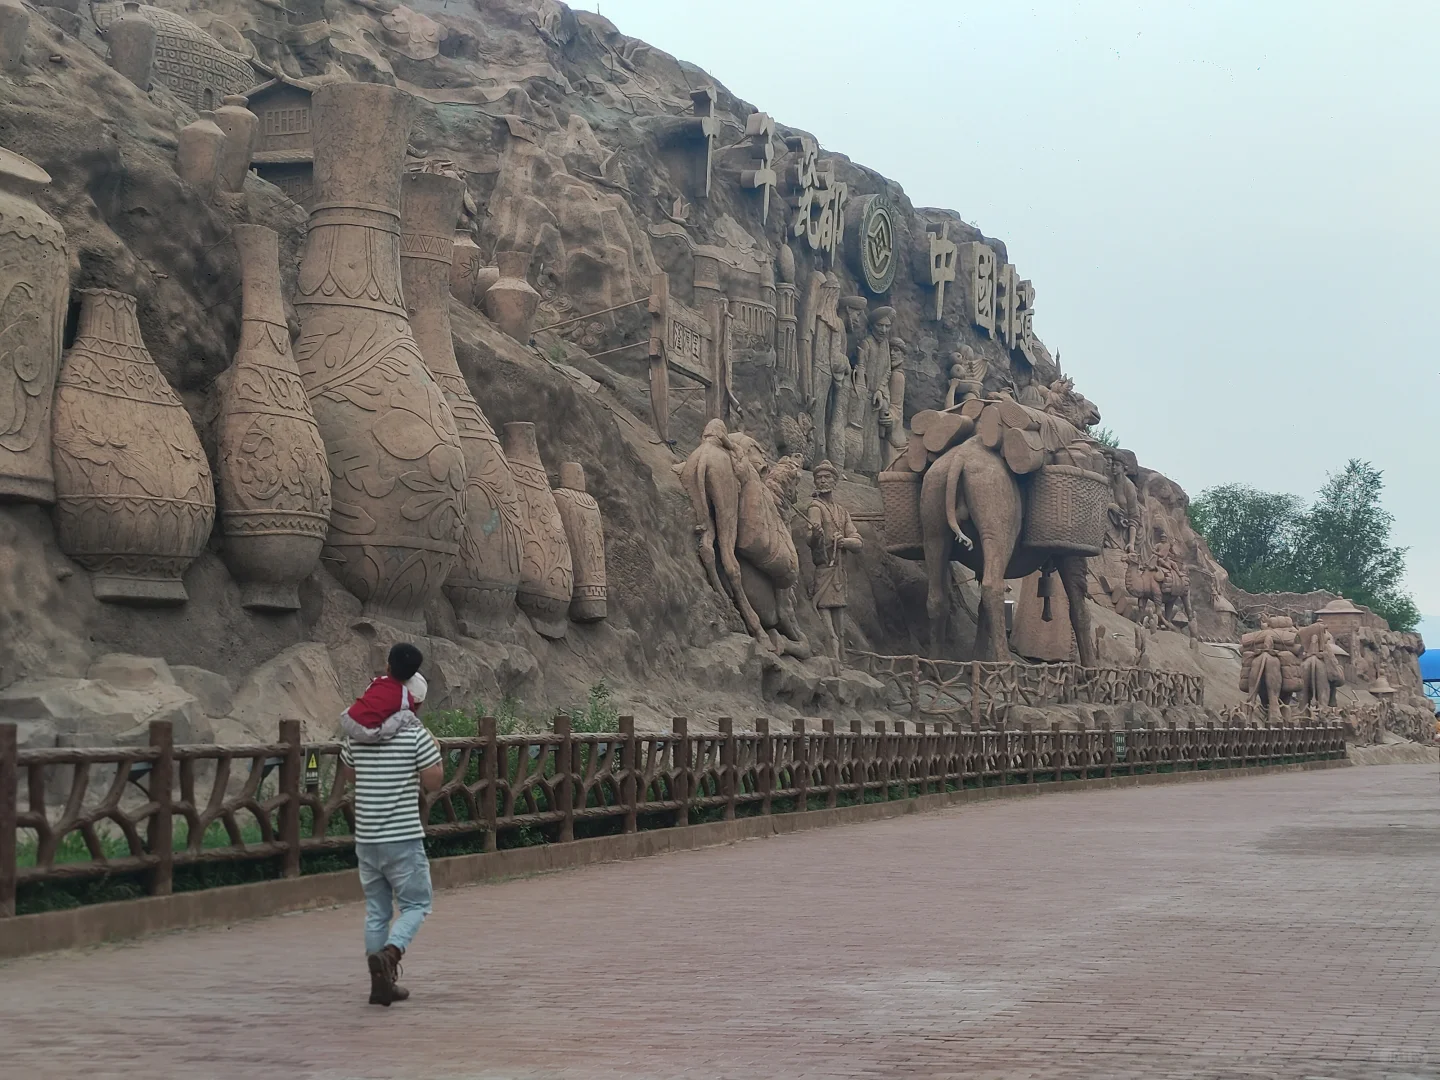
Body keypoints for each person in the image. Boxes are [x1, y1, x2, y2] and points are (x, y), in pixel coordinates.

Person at [335, 642, 444, 1006]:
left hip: (367, 837)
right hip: (403, 836)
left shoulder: (356, 735)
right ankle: (391, 954)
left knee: (377, 911)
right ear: (416, 703)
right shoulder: (415, 735)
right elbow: (433, 781)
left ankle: (379, 983)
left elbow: (349, 774)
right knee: (416, 905)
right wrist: (431, 754)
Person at [806, 459, 862, 659]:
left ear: (835, 481)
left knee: (840, 622)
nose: (822, 481)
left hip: (839, 572)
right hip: (825, 570)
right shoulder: (815, 507)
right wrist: (816, 535)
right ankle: (833, 658)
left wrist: (844, 541)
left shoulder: (842, 512)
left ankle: (842, 658)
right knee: (825, 616)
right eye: (819, 477)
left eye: (827, 477)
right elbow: (810, 540)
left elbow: (858, 542)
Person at [340, 643, 429, 744]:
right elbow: (410, 716)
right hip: (368, 733)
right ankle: (423, 736)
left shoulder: (377, 682)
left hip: (347, 719)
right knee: (408, 716)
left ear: (388, 667)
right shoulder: (405, 696)